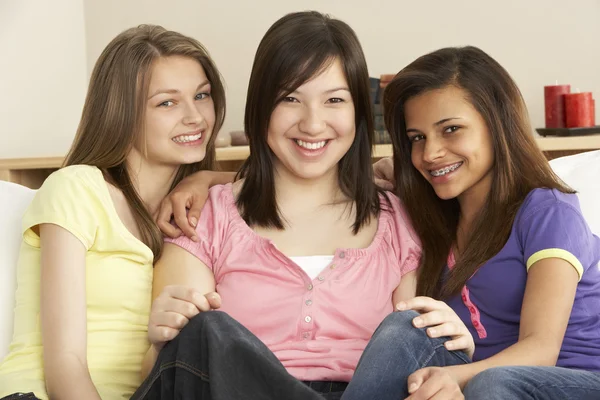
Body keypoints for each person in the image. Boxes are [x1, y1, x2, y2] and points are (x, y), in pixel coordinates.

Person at [134, 11, 473, 400]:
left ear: (359, 112)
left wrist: (451, 344)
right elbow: (175, 373)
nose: (313, 124)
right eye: (291, 98)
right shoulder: (204, 216)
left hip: (364, 392)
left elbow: (414, 350)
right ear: (261, 107)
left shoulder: (398, 218)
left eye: (334, 100)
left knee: (407, 329)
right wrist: (161, 341)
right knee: (207, 330)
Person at [0, 24, 226, 400]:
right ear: (121, 112)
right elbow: (65, 366)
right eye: (166, 102)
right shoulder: (77, 188)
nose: (195, 117)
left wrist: (205, 177)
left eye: (202, 95)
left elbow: (280, 182)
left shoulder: (195, 208)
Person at [368, 45, 600, 399]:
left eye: (450, 129)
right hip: (481, 382)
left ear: (496, 124)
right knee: (406, 328)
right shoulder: (433, 219)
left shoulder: (548, 212)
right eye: (417, 138)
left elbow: (541, 349)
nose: (430, 154)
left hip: (573, 380)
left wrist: (456, 378)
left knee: (494, 383)